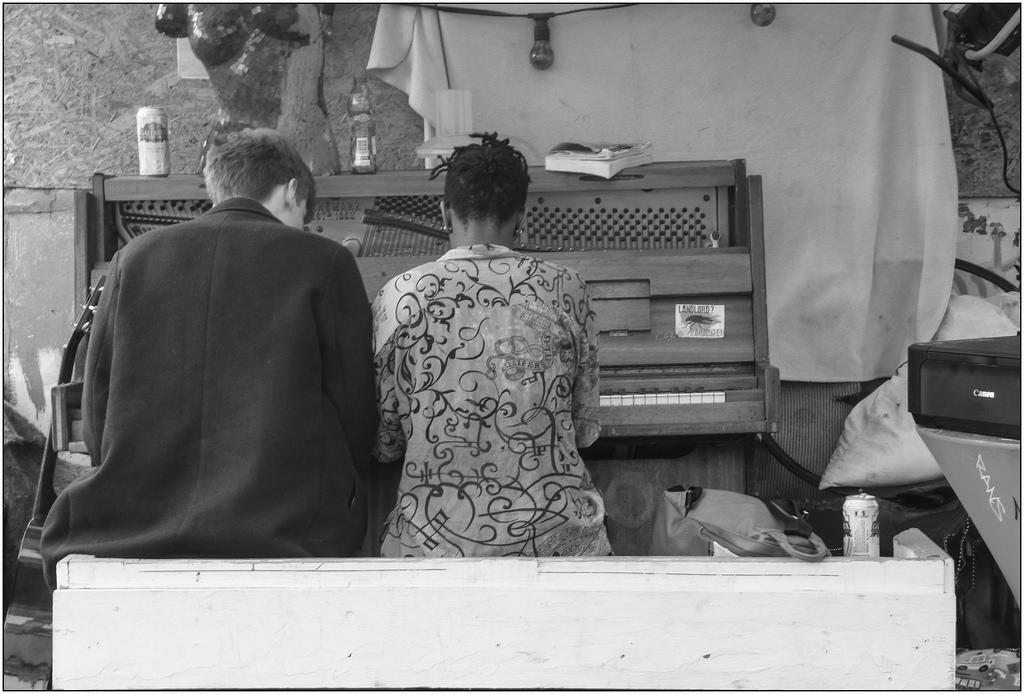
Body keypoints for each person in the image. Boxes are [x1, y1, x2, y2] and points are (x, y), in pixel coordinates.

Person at [40, 128, 377, 587]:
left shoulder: (132, 258)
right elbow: (356, 412)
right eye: (306, 214)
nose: (306, 226)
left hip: (133, 524)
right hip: (287, 530)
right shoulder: (325, 262)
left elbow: (98, 413)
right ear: (293, 191)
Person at [372, 132, 610, 558]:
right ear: (522, 216)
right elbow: (586, 427)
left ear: (445, 211)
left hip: (434, 540)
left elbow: (386, 441)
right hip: (555, 534)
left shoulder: (399, 296)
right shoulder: (566, 287)